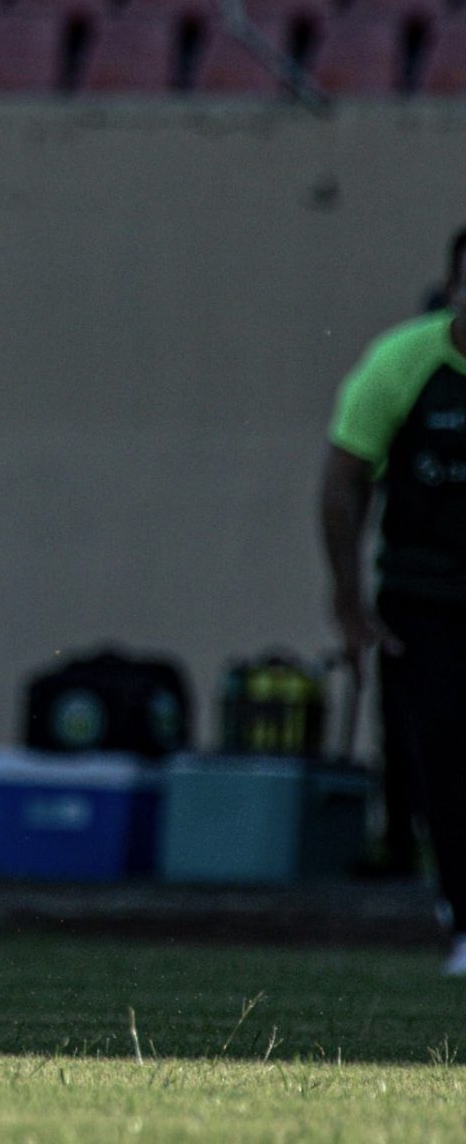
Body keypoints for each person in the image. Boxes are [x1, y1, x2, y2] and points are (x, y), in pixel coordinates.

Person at [322, 225, 466, 976]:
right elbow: (344, 480)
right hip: (425, 597)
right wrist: (350, 605)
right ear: (453, 291)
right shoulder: (403, 364)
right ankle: (462, 914)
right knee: (442, 754)